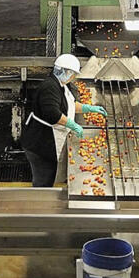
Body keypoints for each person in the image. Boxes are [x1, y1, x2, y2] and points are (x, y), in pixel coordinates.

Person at [20, 54, 106, 187]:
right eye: (72, 74)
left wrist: (89, 108)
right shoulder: (50, 87)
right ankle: (41, 200)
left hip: (46, 141)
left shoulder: (60, 84)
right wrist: (73, 125)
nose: (73, 77)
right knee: (44, 178)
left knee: (50, 174)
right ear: (65, 71)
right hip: (40, 143)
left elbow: (70, 105)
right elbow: (53, 114)